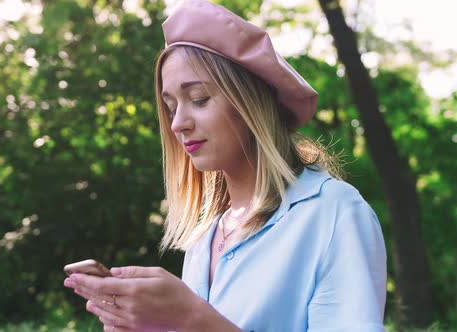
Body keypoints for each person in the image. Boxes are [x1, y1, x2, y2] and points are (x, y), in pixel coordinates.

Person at [63, 0, 387, 331]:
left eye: (199, 99)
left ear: (250, 102)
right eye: (171, 107)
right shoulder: (205, 240)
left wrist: (190, 316)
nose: (178, 124)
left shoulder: (335, 213)